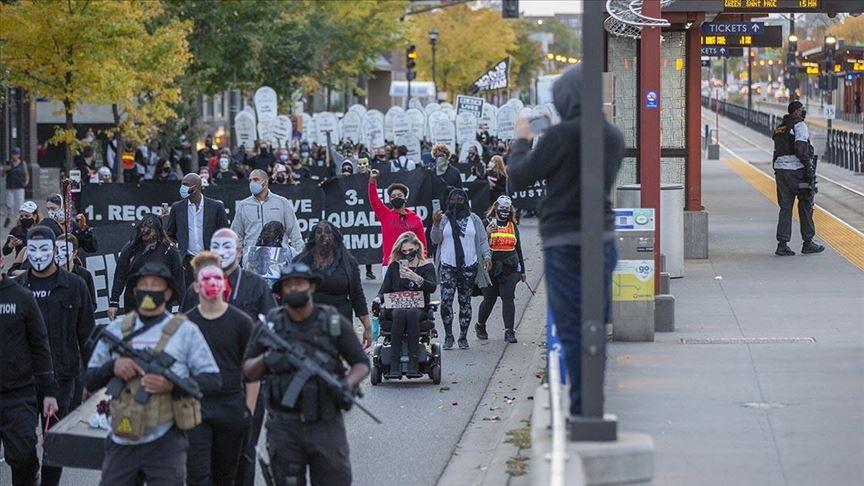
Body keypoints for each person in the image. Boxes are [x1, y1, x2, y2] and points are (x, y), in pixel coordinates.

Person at [508, 65, 624, 417]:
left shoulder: (561, 137)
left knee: (570, 321)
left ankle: (579, 405)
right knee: (595, 322)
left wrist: (523, 140)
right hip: (602, 237)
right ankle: (594, 401)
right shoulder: (613, 136)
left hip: (564, 240)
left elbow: (520, 175)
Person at [84, 262, 221, 485]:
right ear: (135, 291)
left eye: (155, 285)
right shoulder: (116, 329)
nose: (149, 290)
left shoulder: (185, 331)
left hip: (165, 440)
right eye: (143, 285)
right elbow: (89, 379)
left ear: (168, 293)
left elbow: (213, 379)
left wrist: (172, 384)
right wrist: (113, 367)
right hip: (121, 438)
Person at [243, 263, 369, 486]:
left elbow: (361, 363)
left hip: (326, 422)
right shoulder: (270, 326)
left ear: (311, 287)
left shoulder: (332, 322)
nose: (294, 289)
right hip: (284, 424)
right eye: (288, 285)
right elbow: (247, 370)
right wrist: (267, 360)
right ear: (280, 292)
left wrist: (347, 383)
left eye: (299, 283)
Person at [179, 228, 276, 486]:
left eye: (228, 246)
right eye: (216, 247)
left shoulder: (256, 285)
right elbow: (181, 332)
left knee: (243, 455)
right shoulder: (195, 289)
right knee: (200, 461)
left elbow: (269, 334)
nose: (222, 253)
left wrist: (251, 402)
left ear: (240, 249)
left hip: (244, 387)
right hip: (201, 391)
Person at [13, 225, 94, 486]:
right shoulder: (16, 287)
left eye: (44, 248)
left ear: (56, 250)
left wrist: (92, 381)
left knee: (54, 445)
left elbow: (87, 336)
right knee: (21, 449)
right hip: (22, 382)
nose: (38, 255)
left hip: (62, 378)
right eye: (32, 249)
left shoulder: (75, 286)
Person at [184, 252, 257, 486]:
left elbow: (253, 372)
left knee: (227, 475)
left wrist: (249, 411)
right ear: (196, 286)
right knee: (198, 475)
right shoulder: (184, 324)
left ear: (224, 283)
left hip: (231, 407)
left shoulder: (242, 322)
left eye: (217, 278)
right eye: (206, 279)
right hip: (195, 408)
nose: (212, 284)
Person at [0, 250, 61, 486]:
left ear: (2, 261)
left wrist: (49, 391)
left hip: (19, 396)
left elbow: (40, 345)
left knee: (24, 458)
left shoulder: (22, 297)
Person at [430, 188, 491, 350]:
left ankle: (463, 337)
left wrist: (487, 257)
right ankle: (449, 336)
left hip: (469, 266)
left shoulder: (474, 219)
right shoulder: (443, 219)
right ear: (448, 201)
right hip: (447, 266)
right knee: (446, 302)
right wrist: (435, 224)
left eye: (460, 199)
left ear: (466, 201)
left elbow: (483, 240)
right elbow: (435, 240)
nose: (456, 202)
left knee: (465, 302)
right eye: (453, 199)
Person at [296, 221, 371, 348]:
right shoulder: (301, 262)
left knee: (334, 351)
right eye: (319, 232)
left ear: (335, 237)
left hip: (338, 318)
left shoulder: (348, 263)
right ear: (313, 238)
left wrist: (368, 327)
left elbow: (357, 296)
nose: (323, 236)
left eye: (327, 232)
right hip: (310, 319)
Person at [378, 232, 437, 378]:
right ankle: (394, 363)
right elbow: (384, 290)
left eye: (410, 250)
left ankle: (414, 362)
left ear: (417, 247)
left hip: (418, 307)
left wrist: (417, 278)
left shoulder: (427, 267)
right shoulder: (394, 267)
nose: (407, 254)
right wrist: (377, 300)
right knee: (399, 312)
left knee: (411, 312)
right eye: (403, 251)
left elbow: (432, 287)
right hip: (397, 307)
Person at [771, 100, 824, 256]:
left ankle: (782, 245)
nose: (803, 112)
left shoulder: (779, 128)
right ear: (795, 112)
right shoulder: (799, 125)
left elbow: (777, 150)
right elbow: (801, 149)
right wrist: (809, 169)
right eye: (801, 110)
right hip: (797, 172)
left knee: (785, 207)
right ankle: (808, 242)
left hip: (781, 172)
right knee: (806, 204)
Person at [108, 213, 184, 319]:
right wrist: (114, 302)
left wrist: (183, 307)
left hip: (161, 305)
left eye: (149, 229)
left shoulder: (170, 251)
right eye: (142, 228)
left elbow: (179, 280)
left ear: (157, 230)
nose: (144, 232)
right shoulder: (131, 249)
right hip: (134, 304)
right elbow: (120, 276)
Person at [475, 196, 526, 344]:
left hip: (509, 267)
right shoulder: (486, 223)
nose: (504, 211)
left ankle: (509, 331)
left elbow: (519, 248)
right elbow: (475, 244)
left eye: (507, 209)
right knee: (489, 299)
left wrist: (522, 270)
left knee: (508, 297)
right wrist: (486, 232)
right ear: (495, 207)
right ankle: (480, 325)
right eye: (502, 208)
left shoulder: (512, 225)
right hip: (490, 267)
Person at [165, 173, 230, 285]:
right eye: (182, 184)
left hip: (210, 260)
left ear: (196, 187)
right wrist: (177, 253)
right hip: (187, 262)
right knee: (187, 298)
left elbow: (224, 234)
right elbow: (170, 234)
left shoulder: (216, 207)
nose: (182, 188)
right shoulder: (177, 207)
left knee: (209, 296)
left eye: (185, 185)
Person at [231, 169, 304, 263]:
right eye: (250, 180)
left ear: (265, 181)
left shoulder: (282, 202)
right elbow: (236, 237)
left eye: (256, 179)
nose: (252, 183)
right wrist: (236, 263)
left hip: (278, 260)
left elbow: (295, 234)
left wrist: (300, 260)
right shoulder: (243, 205)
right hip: (251, 261)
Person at [368, 169, 427, 278]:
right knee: (390, 295)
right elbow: (374, 200)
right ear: (389, 200)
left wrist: (423, 264)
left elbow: (422, 245)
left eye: (399, 195)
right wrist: (373, 180)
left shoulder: (416, 219)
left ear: (405, 198)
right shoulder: (385, 215)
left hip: (412, 266)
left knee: (412, 295)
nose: (396, 198)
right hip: (390, 265)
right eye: (393, 196)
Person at [3, 146, 29, 228]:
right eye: (13, 154)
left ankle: (18, 221)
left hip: (20, 186)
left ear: (19, 155)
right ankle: (9, 216)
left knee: (19, 204)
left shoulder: (22, 163)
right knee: (10, 203)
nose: (15, 156)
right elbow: (2, 174)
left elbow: (26, 174)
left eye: (16, 154)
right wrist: (5, 169)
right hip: (10, 187)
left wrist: (26, 181)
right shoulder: (8, 162)